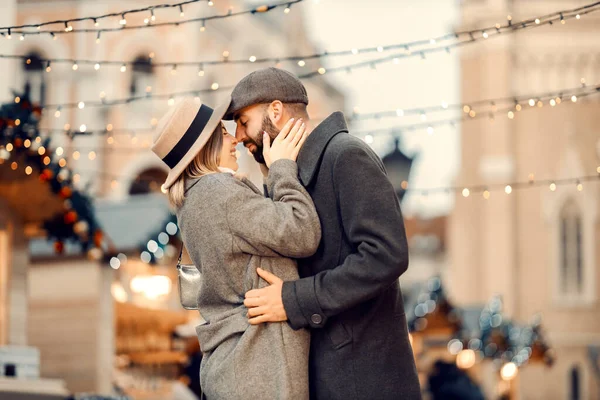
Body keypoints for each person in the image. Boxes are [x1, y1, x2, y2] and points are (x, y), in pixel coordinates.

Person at [226, 68, 422, 399]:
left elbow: (386, 254)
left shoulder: (345, 155)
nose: (238, 135)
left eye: (244, 121)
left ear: (275, 111)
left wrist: (294, 299)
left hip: (362, 380)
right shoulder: (290, 175)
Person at [151, 96, 321, 400]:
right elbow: (302, 232)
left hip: (237, 364)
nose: (234, 140)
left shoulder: (193, 201)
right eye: (224, 132)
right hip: (259, 365)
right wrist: (282, 167)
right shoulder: (219, 192)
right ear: (208, 145)